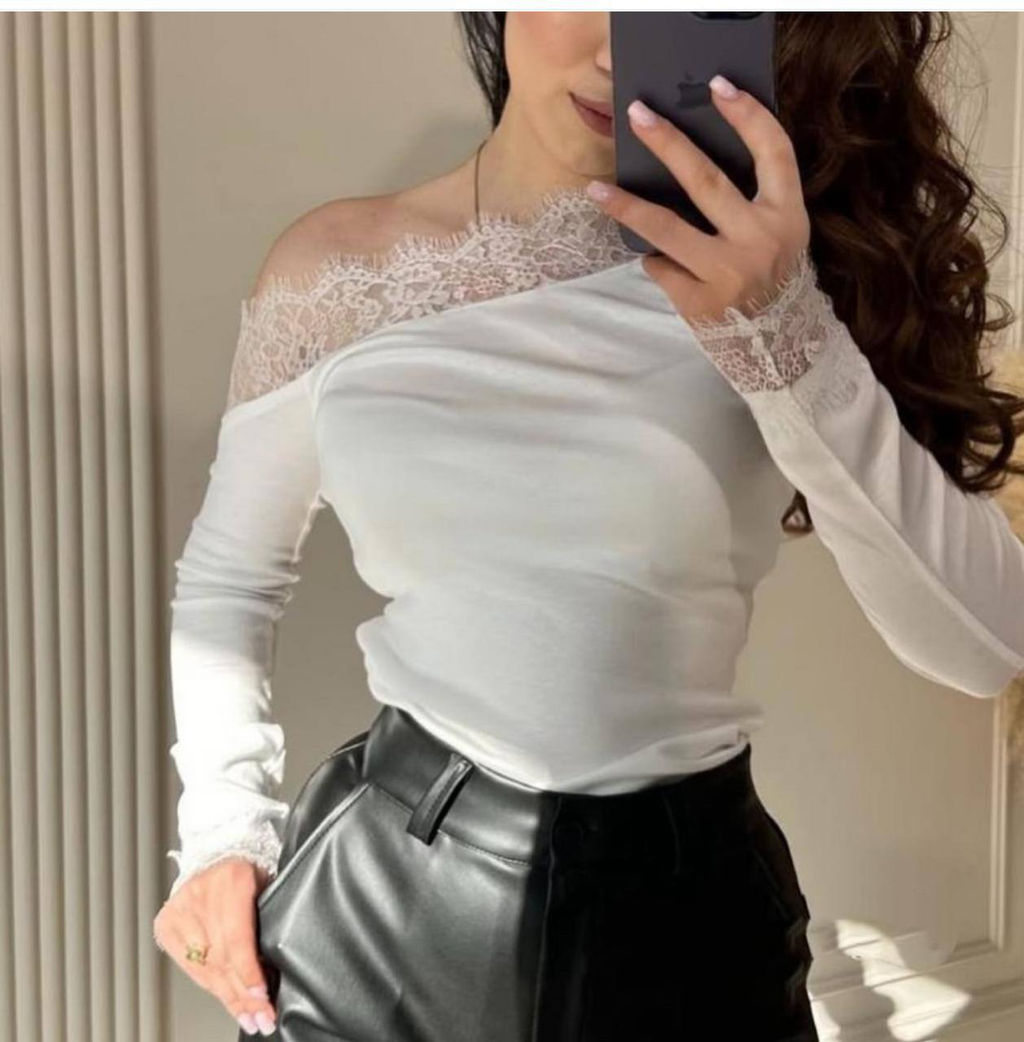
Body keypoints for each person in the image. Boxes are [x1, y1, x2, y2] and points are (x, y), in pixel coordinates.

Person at [152, 11, 1024, 1041]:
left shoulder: (773, 267)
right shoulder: (333, 272)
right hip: (383, 902)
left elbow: (983, 644)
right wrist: (222, 832)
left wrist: (785, 330)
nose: (616, 49)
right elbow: (231, 578)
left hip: (690, 921)